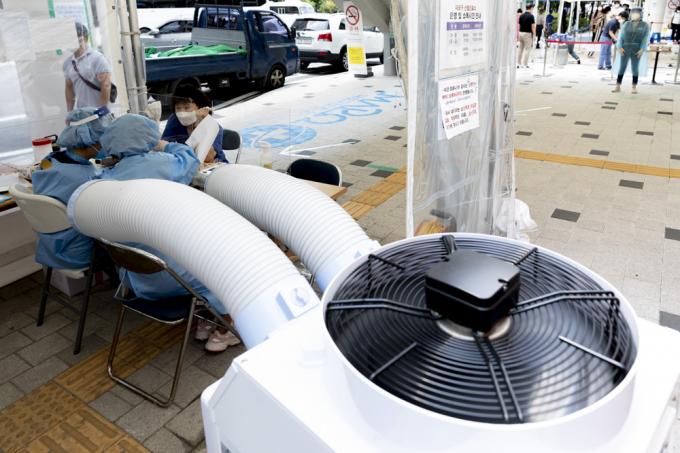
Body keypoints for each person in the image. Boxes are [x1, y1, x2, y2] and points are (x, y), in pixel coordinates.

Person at [98, 114, 239, 352]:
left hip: (140, 280)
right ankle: (226, 327)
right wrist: (165, 145)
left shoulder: (106, 177)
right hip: (174, 277)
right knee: (225, 262)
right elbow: (191, 160)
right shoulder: (161, 164)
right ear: (148, 137)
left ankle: (206, 317)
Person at [32, 108, 110, 269]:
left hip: (50, 247)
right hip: (78, 252)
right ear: (91, 140)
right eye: (106, 138)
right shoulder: (83, 179)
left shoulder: (50, 160)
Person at [161, 84, 226, 164]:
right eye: (178, 108)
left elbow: (208, 157)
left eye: (187, 107)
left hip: (214, 164)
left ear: (199, 107)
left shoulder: (213, 127)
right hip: (186, 163)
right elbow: (163, 146)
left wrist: (198, 126)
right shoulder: (174, 119)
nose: (182, 112)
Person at [63, 23, 113, 111]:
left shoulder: (97, 58)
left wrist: (101, 110)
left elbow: (106, 85)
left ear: (84, 39)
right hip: (82, 113)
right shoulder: (68, 63)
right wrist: (70, 112)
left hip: (99, 113)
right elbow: (69, 87)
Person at [612, 7, 650, 94]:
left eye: (637, 13)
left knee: (635, 68)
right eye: (633, 13)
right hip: (625, 48)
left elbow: (645, 38)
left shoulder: (645, 25)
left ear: (641, 14)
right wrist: (619, 46)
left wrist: (642, 49)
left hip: (637, 49)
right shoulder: (626, 24)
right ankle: (618, 86)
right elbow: (621, 36)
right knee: (622, 67)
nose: (635, 14)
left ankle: (634, 86)